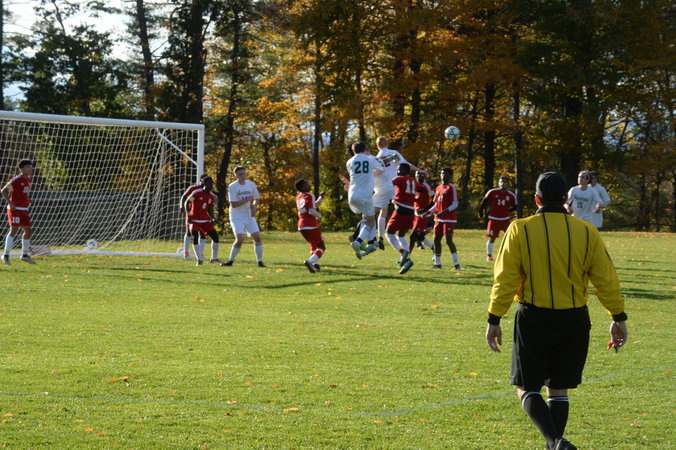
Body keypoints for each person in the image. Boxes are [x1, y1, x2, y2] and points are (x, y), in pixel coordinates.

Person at [485, 172, 628, 450]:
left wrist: (494, 318)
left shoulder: (520, 228)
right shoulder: (586, 231)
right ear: (566, 199)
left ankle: (555, 441)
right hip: (574, 319)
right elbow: (606, 279)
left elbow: (505, 280)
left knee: (526, 388)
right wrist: (617, 316)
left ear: (536, 199)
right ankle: (555, 446)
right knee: (558, 389)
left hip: (534, 318)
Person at [373, 136, 426, 250]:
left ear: (377, 145)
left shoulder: (377, 158)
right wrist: (419, 170)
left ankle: (380, 236)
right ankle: (413, 234)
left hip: (385, 186)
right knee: (402, 211)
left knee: (382, 212)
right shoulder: (393, 153)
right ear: (387, 143)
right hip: (398, 187)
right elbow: (406, 165)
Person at [345, 141, 384, 259]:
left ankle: (371, 242)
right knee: (371, 221)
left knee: (366, 218)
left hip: (352, 195)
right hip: (365, 195)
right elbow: (381, 169)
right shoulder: (370, 159)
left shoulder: (349, 162)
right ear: (365, 149)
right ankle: (358, 241)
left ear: (353, 151)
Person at [383, 163, 424, 274]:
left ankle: (403, 253)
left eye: (398, 169)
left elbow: (388, 183)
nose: (397, 171)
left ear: (404, 170)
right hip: (411, 211)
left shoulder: (399, 179)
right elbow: (422, 189)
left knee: (389, 233)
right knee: (401, 235)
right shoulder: (413, 180)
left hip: (401, 209)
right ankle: (407, 260)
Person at [221, 166, 265, 267]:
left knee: (257, 237)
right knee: (240, 239)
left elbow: (256, 198)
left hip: (248, 215)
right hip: (236, 216)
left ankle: (260, 262)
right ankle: (230, 261)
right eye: (240, 174)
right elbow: (233, 204)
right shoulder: (233, 186)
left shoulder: (250, 184)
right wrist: (247, 200)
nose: (242, 176)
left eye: (244, 173)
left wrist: (254, 207)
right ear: (235, 175)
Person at [2, 159, 36, 265]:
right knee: (14, 230)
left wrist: (27, 199)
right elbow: (3, 190)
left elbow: (22, 193)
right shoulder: (16, 179)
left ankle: (24, 255)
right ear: (21, 169)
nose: (30, 169)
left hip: (24, 209)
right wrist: (11, 203)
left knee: (28, 231)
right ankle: (6, 255)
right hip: (15, 209)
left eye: (31, 167)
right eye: (28, 167)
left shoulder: (28, 180)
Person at [183, 176, 221, 266]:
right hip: (194, 220)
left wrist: (213, 218)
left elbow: (210, 209)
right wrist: (189, 215)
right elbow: (187, 202)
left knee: (215, 238)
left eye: (212, 182)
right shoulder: (196, 193)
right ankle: (199, 260)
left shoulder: (212, 196)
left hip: (205, 221)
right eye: (209, 182)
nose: (211, 184)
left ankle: (214, 258)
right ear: (204, 183)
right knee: (195, 238)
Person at [478, 176, 517, 261]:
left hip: (505, 219)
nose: (503, 183)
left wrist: (507, 210)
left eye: (505, 182)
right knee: (492, 238)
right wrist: (481, 212)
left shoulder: (511, 195)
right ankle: (489, 256)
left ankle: (508, 254)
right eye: (501, 182)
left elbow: (515, 206)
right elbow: (484, 202)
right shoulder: (492, 192)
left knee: (510, 237)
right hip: (494, 219)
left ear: (507, 184)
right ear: (498, 183)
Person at [432, 168, 461, 270]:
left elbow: (455, 204)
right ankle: (437, 263)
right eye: (442, 173)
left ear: (450, 176)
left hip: (449, 218)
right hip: (438, 219)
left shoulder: (451, 188)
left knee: (448, 240)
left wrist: (443, 212)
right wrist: (426, 212)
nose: (443, 175)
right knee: (436, 240)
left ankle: (456, 264)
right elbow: (435, 204)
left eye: (446, 173)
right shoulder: (438, 188)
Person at [295, 179, 325, 273]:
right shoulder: (310, 195)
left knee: (313, 245)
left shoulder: (299, 197)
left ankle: (316, 266)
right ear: (302, 187)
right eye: (307, 184)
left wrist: (321, 198)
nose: (309, 185)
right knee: (321, 247)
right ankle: (309, 261)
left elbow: (313, 205)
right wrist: (319, 216)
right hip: (311, 224)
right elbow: (311, 211)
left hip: (301, 226)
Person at [179, 173, 210, 260]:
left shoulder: (208, 190)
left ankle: (200, 254)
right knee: (189, 232)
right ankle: (186, 251)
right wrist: (182, 205)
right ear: (201, 181)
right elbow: (186, 197)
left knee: (203, 233)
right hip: (192, 213)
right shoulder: (194, 189)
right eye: (205, 180)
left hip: (203, 214)